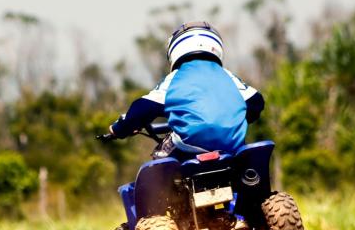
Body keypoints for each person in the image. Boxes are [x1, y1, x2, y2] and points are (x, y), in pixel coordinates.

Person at [108, 21, 264, 160]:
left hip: (188, 146)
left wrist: (119, 129)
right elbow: (256, 101)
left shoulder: (175, 77)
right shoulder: (227, 76)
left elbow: (143, 108)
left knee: (160, 161)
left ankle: (165, 192)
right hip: (231, 146)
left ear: (175, 49)